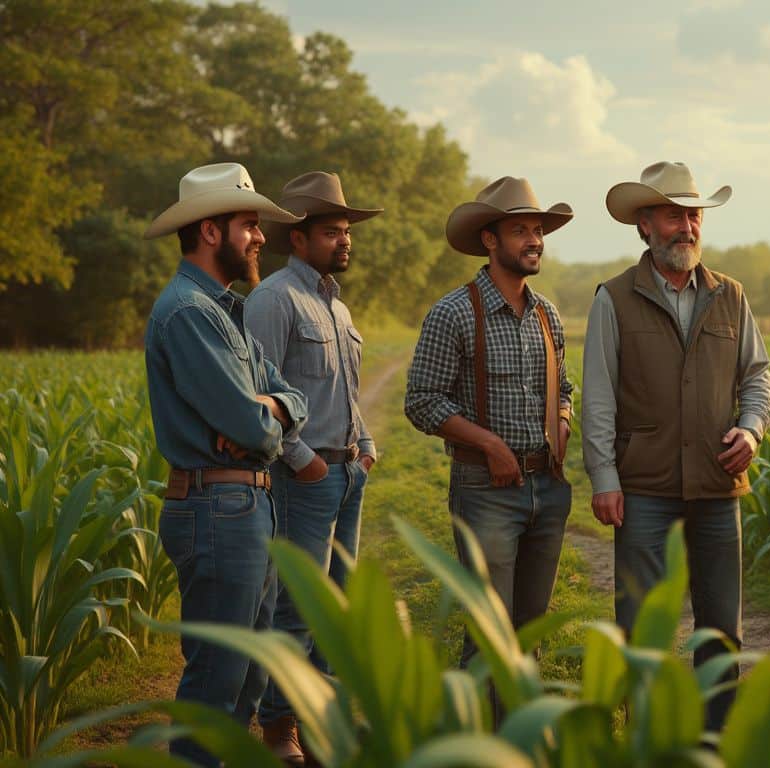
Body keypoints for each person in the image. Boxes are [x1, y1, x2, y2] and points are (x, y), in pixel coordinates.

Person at [582, 161, 770, 732]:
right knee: (643, 626)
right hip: (643, 490)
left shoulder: (731, 296)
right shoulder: (613, 298)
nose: (686, 227)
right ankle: (651, 737)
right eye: (673, 216)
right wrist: (604, 479)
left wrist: (752, 428)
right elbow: (597, 397)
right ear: (645, 225)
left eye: (693, 215)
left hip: (718, 489)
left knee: (722, 629)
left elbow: (757, 376)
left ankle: (715, 741)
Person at [142, 162, 307, 766]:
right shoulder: (189, 313)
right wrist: (265, 416)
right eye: (249, 224)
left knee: (247, 680)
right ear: (211, 232)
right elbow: (252, 429)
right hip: (216, 510)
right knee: (217, 683)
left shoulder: (226, 311)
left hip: (245, 508)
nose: (261, 236)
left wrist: (272, 408)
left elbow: (291, 398)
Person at [404, 176, 574, 687]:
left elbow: (564, 385)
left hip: (547, 487)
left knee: (530, 631)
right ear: (490, 240)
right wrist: (489, 444)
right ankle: (479, 739)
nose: (534, 240)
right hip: (486, 492)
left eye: (538, 230)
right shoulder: (453, 312)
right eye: (520, 229)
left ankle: (522, 737)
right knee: (489, 629)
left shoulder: (547, 314)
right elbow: (421, 401)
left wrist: (562, 421)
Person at [243, 171, 383, 764]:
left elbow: (344, 393)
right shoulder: (273, 300)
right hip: (305, 480)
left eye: (346, 231)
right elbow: (257, 393)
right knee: (297, 608)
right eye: (332, 232)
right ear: (297, 239)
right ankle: (279, 727)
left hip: (347, 475)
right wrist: (302, 463)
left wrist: (367, 445)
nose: (344, 241)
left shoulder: (337, 305)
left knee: (335, 606)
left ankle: (323, 722)